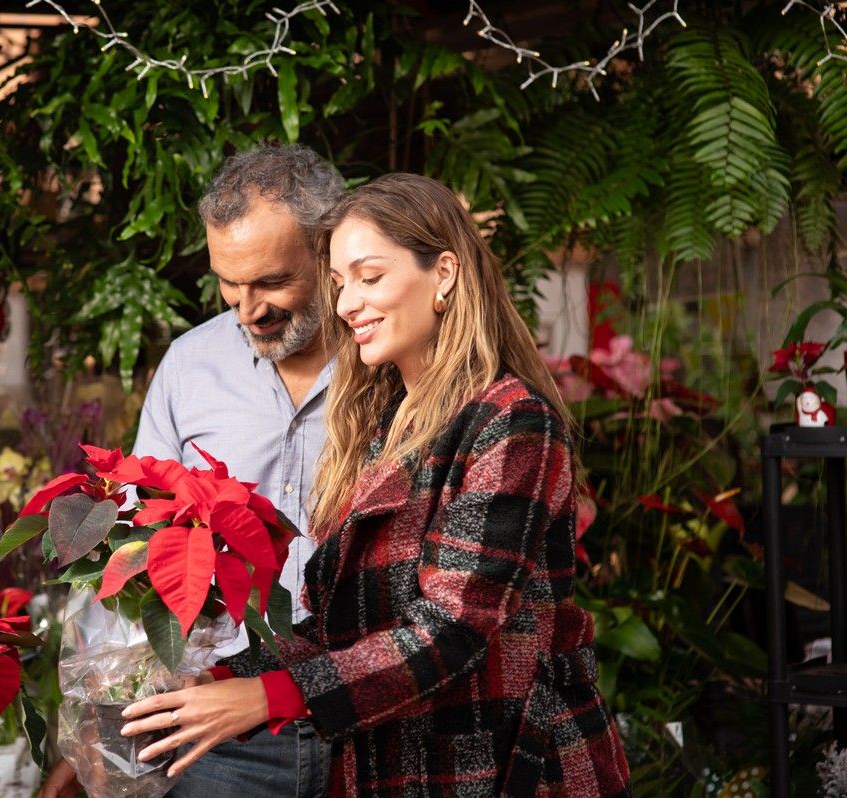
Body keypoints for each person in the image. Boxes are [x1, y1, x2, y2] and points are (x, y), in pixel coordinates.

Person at [119, 173, 633, 796]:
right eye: (339, 284)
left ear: (443, 273)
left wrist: (266, 695)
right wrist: (225, 678)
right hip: (396, 763)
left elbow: (451, 628)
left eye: (370, 277)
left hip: (504, 765)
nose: (346, 305)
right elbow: (342, 628)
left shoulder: (511, 422)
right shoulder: (385, 428)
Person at [39, 144, 343, 798]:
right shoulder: (191, 366)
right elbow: (133, 547)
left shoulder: (392, 366)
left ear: (329, 251)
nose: (246, 309)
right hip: (219, 734)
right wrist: (102, 725)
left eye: (270, 282)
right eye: (228, 283)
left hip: (369, 720)